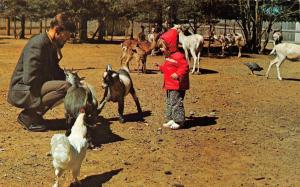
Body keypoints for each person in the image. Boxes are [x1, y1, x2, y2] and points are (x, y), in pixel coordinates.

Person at [7, 13, 76, 132]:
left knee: (69, 85)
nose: (67, 39)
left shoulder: (50, 44)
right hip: (23, 89)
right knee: (65, 87)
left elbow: (54, 69)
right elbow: (30, 78)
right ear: (57, 31)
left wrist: (71, 78)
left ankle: (33, 115)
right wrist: (57, 81)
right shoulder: (38, 44)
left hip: (32, 86)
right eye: (66, 36)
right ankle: (28, 116)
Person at [156, 26, 190, 130]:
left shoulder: (179, 56)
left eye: (162, 47)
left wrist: (178, 74)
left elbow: (185, 67)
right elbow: (167, 68)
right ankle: (171, 118)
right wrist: (161, 67)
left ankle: (179, 121)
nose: (161, 49)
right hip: (169, 84)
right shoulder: (169, 57)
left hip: (177, 85)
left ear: (169, 45)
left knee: (176, 102)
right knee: (169, 102)